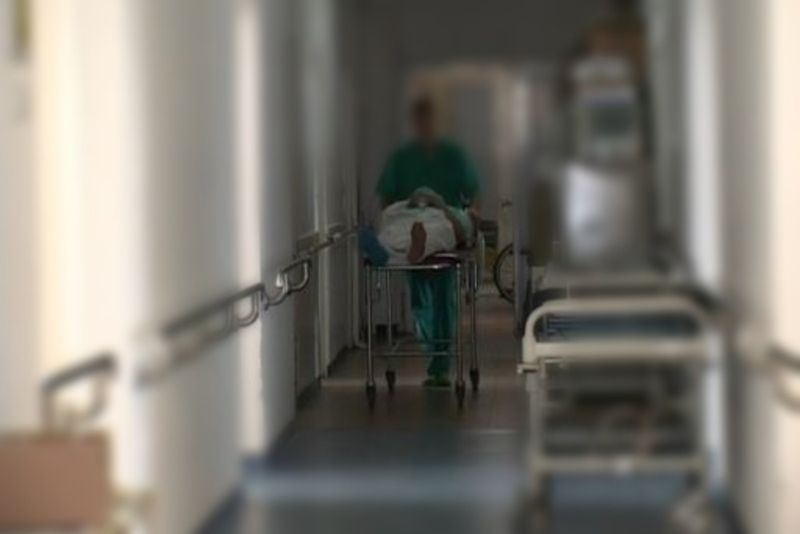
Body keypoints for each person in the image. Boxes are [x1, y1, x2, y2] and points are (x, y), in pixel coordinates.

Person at [375, 96, 481, 387]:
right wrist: (395, 218)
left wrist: (470, 219)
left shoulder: (454, 156)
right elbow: (386, 200)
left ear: (437, 122)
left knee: (443, 298)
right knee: (421, 301)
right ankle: (410, 245)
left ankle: (440, 364)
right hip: (411, 217)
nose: (425, 126)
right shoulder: (402, 157)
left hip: (444, 216)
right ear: (415, 123)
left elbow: (474, 195)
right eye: (420, 121)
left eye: (429, 120)